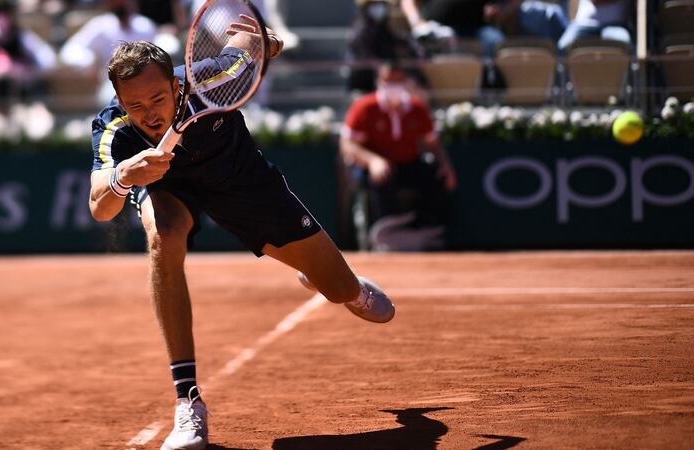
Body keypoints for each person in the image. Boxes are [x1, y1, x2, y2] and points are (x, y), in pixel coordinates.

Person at [87, 18, 395, 450]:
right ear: (119, 100)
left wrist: (267, 43)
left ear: (177, 85)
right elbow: (100, 207)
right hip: (170, 189)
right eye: (135, 105)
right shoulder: (115, 128)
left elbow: (248, 44)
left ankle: (339, 284)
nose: (150, 114)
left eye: (158, 98)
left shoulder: (209, 81)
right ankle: (188, 402)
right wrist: (123, 177)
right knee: (164, 235)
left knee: (339, 287)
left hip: (242, 182)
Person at [341, 63, 456, 251]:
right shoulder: (364, 107)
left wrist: (445, 165)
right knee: (381, 178)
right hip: (371, 168)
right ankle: (385, 238)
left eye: (398, 80)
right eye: (389, 80)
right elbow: (347, 145)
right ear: (379, 81)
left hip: (408, 164)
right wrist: (373, 161)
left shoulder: (417, 108)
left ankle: (427, 233)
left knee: (437, 177)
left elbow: (433, 144)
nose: (394, 85)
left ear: (406, 82)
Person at [60, 0, 158, 105]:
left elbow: (159, 51)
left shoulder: (145, 26)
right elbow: (70, 50)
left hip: (145, 82)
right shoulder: (101, 25)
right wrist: (88, 61)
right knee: (110, 101)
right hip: (113, 83)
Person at [0, 0, 57, 80]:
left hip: (18, 89)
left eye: (4, 16)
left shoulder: (22, 37)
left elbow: (48, 59)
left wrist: (25, 69)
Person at [347, 0, 422, 94]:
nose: (379, 7)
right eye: (374, 4)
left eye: (381, 3)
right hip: (364, 83)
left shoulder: (383, 27)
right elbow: (363, 56)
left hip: (386, 81)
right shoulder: (360, 29)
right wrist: (382, 67)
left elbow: (391, 40)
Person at [557, 0, 631, 52]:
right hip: (584, 24)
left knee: (625, 43)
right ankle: (561, 74)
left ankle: (631, 74)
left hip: (616, 25)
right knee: (563, 46)